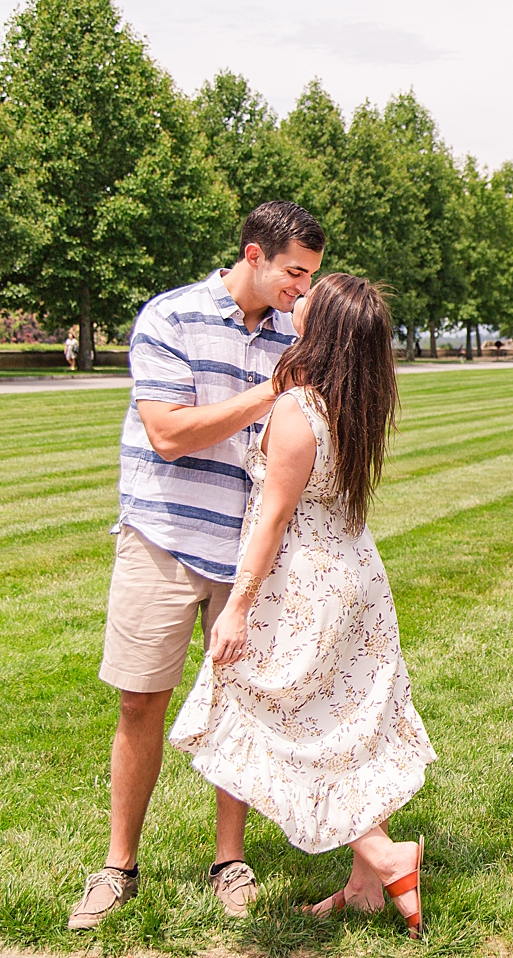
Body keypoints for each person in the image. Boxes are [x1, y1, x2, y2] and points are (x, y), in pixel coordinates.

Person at [68, 200, 328, 933]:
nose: (301, 289)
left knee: (241, 707)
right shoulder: (171, 318)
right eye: (293, 272)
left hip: (248, 551)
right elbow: (169, 433)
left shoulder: (292, 333)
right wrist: (272, 391)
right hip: (163, 536)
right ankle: (119, 864)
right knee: (140, 699)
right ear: (253, 254)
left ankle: (230, 860)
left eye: (309, 276)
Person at [171, 273, 433, 936]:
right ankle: (366, 886)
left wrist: (236, 608)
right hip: (356, 578)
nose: (300, 299)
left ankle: (383, 852)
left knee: (277, 715)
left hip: (305, 585)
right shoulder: (356, 400)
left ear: (328, 329)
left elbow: (272, 518)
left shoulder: (299, 408)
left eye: (313, 299)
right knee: (343, 722)